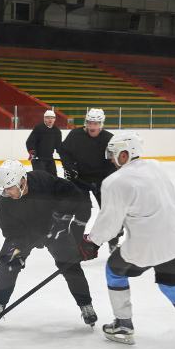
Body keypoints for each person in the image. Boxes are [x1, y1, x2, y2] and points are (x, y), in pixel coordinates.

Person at [83, 131, 175, 349]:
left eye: (113, 153)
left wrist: (91, 241)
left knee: (114, 270)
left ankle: (123, 326)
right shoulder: (156, 166)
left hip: (145, 246)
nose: (110, 158)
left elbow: (109, 223)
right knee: (173, 286)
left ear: (126, 154)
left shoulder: (114, 182)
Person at [0, 160, 99, 327]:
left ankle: (86, 305)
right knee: (8, 264)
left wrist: (63, 218)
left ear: (22, 182)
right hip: (25, 234)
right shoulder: (5, 201)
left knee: (71, 266)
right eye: (3, 188)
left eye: (9, 188)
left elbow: (73, 194)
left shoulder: (43, 180)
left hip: (54, 229)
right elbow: (11, 230)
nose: (6, 192)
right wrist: (15, 247)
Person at [59, 108, 120, 252]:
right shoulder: (75, 135)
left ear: (101, 124)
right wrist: (68, 167)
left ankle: (114, 243)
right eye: (90, 123)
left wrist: (111, 177)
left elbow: (113, 161)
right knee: (83, 212)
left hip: (102, 182)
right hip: (80, 180)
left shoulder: (109, 138)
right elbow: (63, 151)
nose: (93, 126)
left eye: (96, 123)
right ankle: (75, 244)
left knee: (109, 213)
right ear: (86, 123)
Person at [25, 109, 62, 176]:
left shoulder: (57, 131)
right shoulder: (39, 128)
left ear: (54, 119)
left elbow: (58, 146)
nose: (50, 120)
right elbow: (30, 141)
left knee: (53, 177)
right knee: (40, 177)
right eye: (48, 118)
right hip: (39, 158)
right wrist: (32, 152)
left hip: (49, 158)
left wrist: (64, 155)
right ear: (44, 119)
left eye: (52, 118)